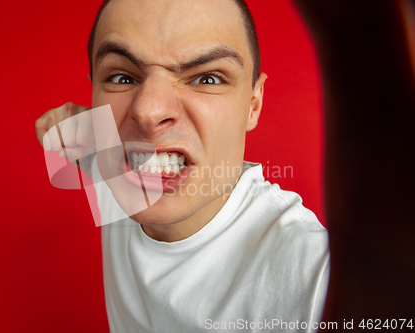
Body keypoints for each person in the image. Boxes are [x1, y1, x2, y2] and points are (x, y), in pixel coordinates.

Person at [36, 0, 331, 332]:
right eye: (121, 77)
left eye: (207, 78)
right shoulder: (113, 170)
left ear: (253, 104)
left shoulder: (316, 278)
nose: (148, 112)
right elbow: (62, 133)